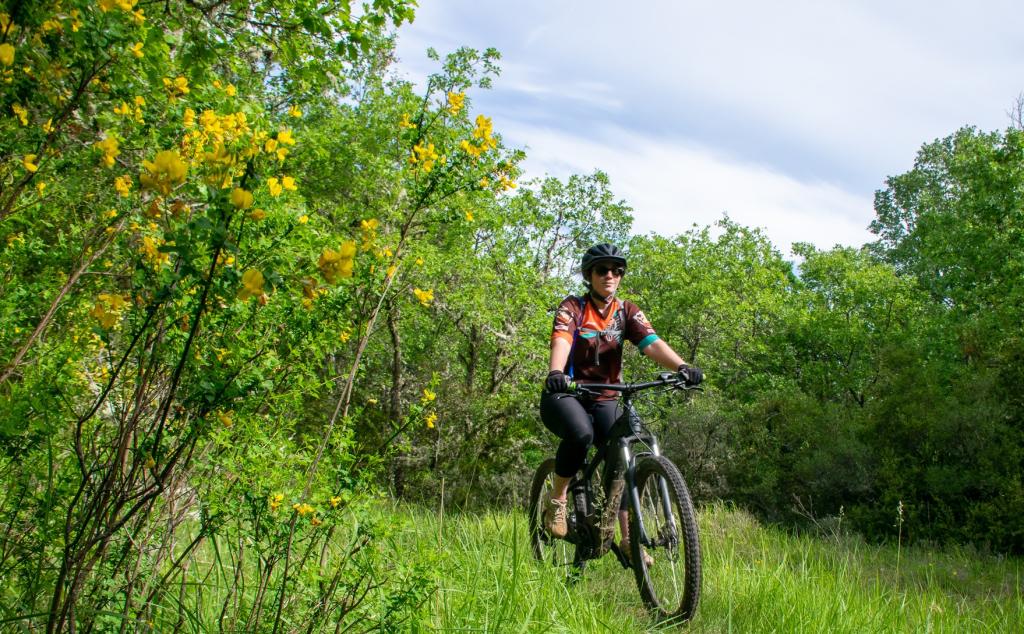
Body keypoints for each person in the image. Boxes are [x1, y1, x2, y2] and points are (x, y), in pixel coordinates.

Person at [539, 243, 703, 562]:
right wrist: (555, 371)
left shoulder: (626, 310)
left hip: (606, 395)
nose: (610, 276)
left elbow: (651, 343)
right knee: (581, 434)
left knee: (628, 449)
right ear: (589, 275)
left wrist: (682, 367)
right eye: (602, 270)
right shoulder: (573, 307)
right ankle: (557, 500)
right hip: (567, 392)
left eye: (617, 271)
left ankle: (629, 540)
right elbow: (562, 339)